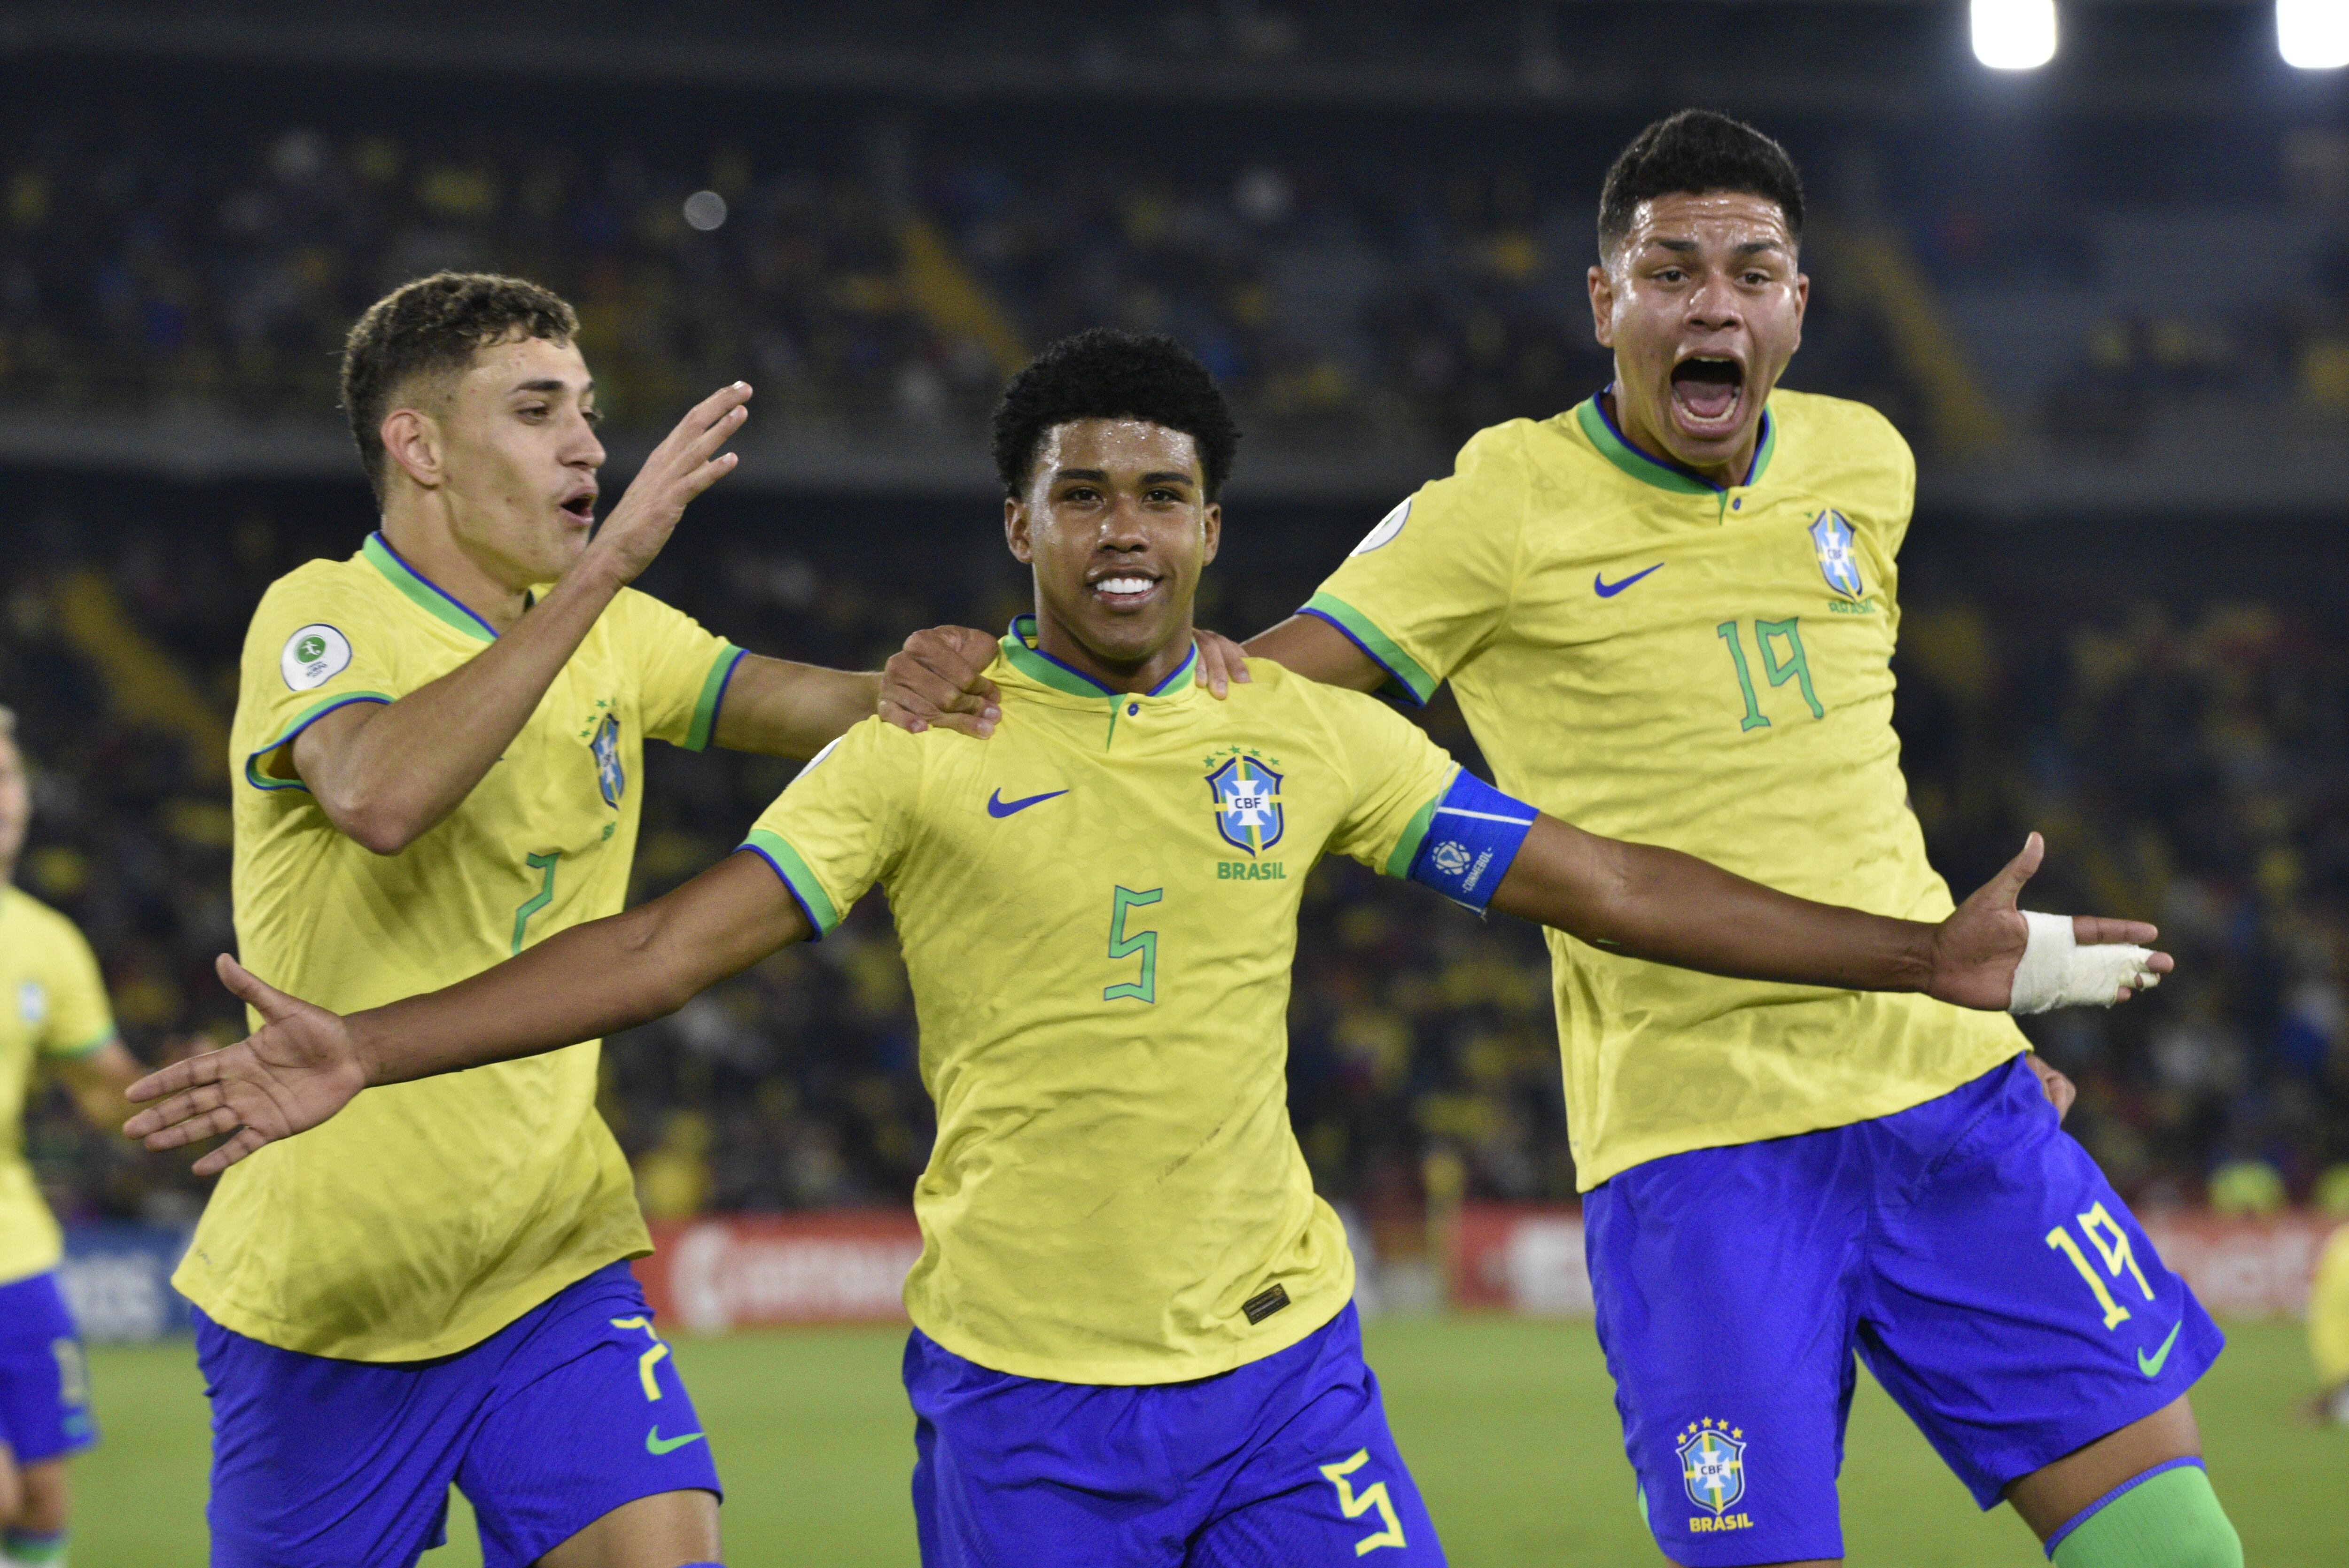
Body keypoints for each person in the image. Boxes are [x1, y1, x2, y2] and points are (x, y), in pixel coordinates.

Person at [128, 331, 2165, 1568]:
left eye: (1163, 497)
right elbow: (669, 948)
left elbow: (1604, 878)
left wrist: (1912, 956)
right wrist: (369, 1049)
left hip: (1291, 1376)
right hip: (1022, 1402)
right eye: (1078, 494)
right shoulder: (924, 749)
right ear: (1014, 526)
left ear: (1211, 528)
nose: (1123, 526)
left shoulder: (1311, 733)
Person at [885, 114, 2242, 1568]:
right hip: (1700, 1155)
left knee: (2177, 1545)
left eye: (1752, 269)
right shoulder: (1503, 505)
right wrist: (1003, 681)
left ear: (1799, 305)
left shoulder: (1869, 464)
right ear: (1607, 304)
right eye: (1671, 270)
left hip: (1950, 1097)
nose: (1712, 301)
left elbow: (1834, 771)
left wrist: (1959, 1014)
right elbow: (1245, 696)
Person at [180, 271, 918, 1568]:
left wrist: (932, 680)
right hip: (324, 1304)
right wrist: (605, 573)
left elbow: (808, 701)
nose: (587, 445)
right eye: (536, 411)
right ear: (419, 447)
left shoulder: (618, 635)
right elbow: (380, 794)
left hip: (546, 1264)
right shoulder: (323, 614)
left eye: (586, 409)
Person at [0, 709, 149, 1568]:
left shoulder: (46, 943)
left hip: (17, 1250)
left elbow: (104, 1089)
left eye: (11, 777)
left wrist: (177, 1092)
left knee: (43, 1495)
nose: (5, 799)